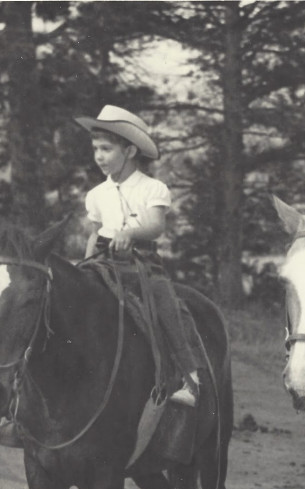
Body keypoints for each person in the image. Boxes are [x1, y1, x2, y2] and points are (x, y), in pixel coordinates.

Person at [74, 105, 203, 408]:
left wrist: (130, 233)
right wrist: (85, 263)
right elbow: (95, 232)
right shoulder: (96, 194)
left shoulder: (152, 188)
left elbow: (156, 225)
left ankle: (191, 378)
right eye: (95, 149)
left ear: (130, 150)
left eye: (106, 149)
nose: (98, 156)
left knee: (165, 303)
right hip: (102, 261)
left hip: (141, 263)